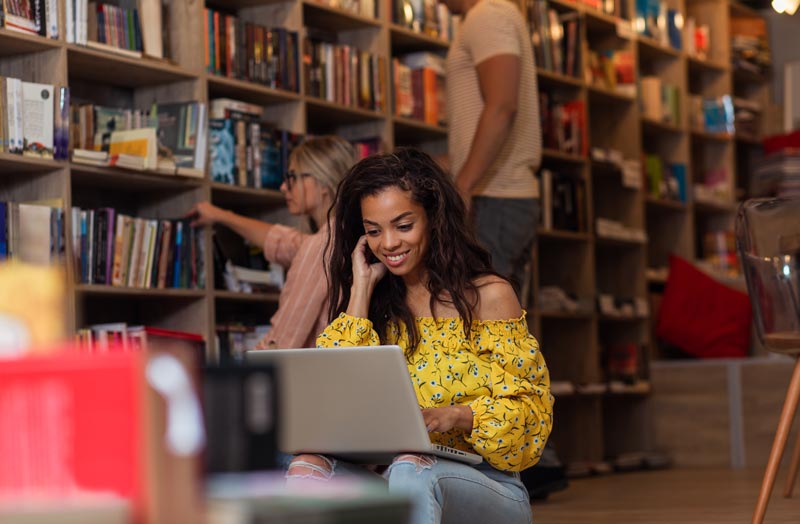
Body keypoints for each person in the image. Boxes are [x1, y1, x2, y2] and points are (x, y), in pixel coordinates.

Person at [286, 149, 553, 524]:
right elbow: (332, 395)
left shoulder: (489, 296)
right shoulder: (379, 303)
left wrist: (457, 416)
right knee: (306, 468)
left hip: (488, 487)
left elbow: (532, 420)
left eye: (403, 225)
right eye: (374, 231)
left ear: (433, 219)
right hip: (397, 477)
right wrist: (361, 288)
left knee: (414, 468)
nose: (389, 243)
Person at [442, 0, 568, 498]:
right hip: (497, 194)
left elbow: (502, 105)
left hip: (495, 195)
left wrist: (464, 185)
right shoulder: (493, 15)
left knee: (485, 327)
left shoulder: (488, 14)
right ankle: (536, 459)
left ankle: (523, 462)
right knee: (497, 330)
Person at [188, 135, 357, 349]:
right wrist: (221, 216)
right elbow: (284, 242)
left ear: (323, 183)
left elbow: (283, 338)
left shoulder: (321, 245)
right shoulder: (344, 236)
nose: (284, 187)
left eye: (293, 177)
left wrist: (245, 368)